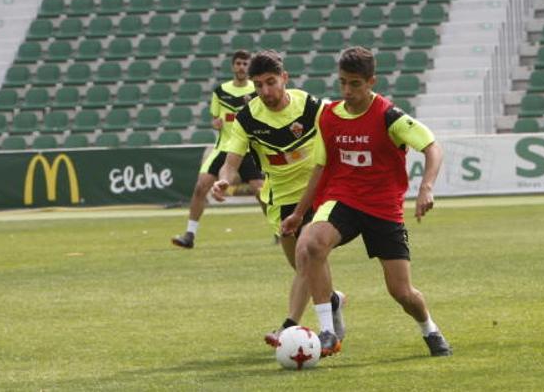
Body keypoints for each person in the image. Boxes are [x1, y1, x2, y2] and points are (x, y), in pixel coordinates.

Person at [288, 46, 452, 357]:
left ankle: (429, 328)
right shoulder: (328, 117)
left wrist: (426, 188)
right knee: (311, 243)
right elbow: (320, 167)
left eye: (355, 84)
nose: (347, 91)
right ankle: (327, 330)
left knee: (402, 293)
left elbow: (432, 147)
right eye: (342, 83)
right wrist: (299, 213)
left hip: (383, 207)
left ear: (371, 82)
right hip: (343, 199)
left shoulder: (390, 116)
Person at [208, 50, 344, 347]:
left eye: (271, 82)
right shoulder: (247, 118)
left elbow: (341, 121)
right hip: (281, 199)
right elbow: (232, 161)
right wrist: (223, 180)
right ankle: (332, 300)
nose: (265, 91)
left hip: (318, 192)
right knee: (302, 267)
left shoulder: (310, 106)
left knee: (308, 255)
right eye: (258, 85)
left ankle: (291, 326)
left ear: (285, 78)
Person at [171, 51, 265, 249]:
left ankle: (279, 230)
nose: (241, 67)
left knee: (261, 192)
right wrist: (216, 123)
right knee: (200, 187)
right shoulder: (220, 92)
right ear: (233, 66)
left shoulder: (256, 90)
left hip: (247, 149)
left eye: (245, 63)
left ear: (249, 67)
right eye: (238, 63)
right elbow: (215, 119)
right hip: (223, 147)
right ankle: (189, 235)